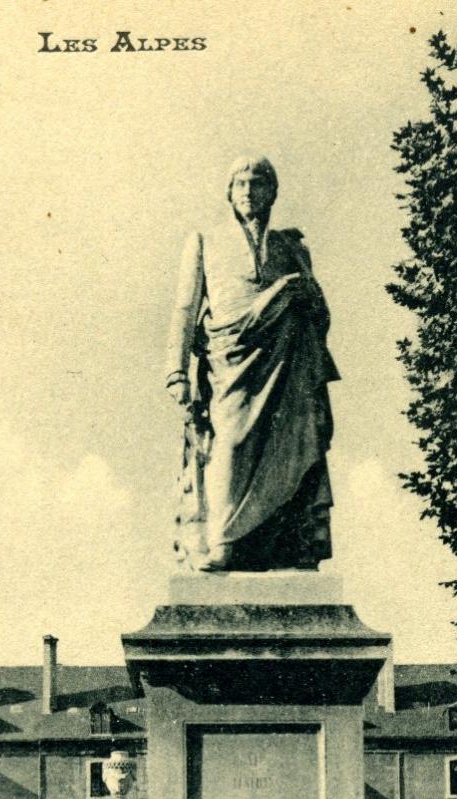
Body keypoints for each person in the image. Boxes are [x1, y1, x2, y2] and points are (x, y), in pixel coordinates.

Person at [166, 154, 338, 572]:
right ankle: (224, 540)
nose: (248, 191)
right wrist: (176, 371)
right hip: (230, 362)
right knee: (229, 444)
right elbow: (185, 308)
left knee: (294, 443)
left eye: (257, 183)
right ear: (229, 192)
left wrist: (301, 295)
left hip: (287, 361)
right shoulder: (205, 241)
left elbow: (321, 312)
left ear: (272, 191)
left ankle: (291, 544)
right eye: (240, 184)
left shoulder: (290, 247)